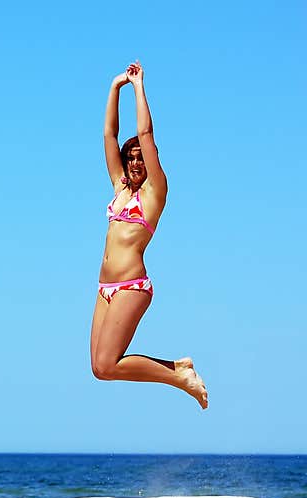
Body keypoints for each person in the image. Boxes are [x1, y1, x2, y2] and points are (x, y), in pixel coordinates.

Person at [90, 61, 208, 409]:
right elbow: (110, 136)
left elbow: (145, 135)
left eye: (142, 158)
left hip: (131, 286)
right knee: (100, 368)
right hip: (104, 288)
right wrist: (115, 88)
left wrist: (138, 87)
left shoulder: (153, 193)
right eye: (132, 158)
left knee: (110, 362)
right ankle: (179, 370)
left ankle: (178, 374)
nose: (136, 162)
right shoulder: (120, 188)